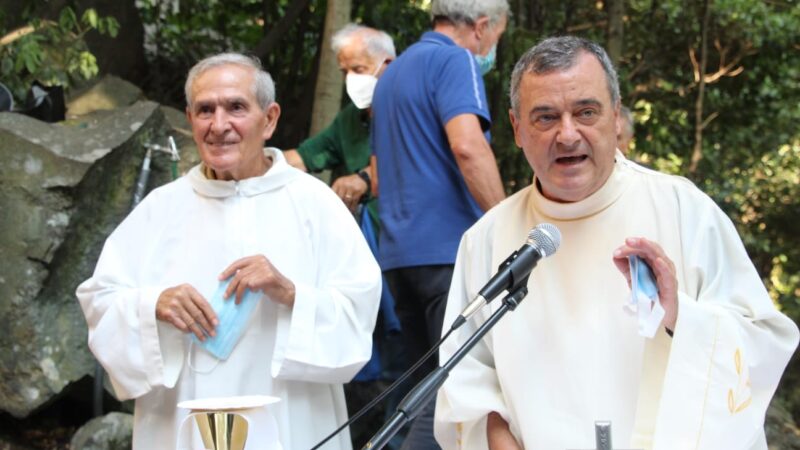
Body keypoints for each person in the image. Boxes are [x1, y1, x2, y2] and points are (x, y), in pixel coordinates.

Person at [434, 36, 799, 450]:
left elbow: (764, 343)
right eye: (545, 118)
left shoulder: (683, 209)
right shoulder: (486, 239)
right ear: (517, 129)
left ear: (615, 118)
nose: (567, 135)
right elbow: (466, 378)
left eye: (586, 112)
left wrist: (682, 315)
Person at [76, 53, 382, 450]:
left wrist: (292, 294)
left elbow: (359, 313)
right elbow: (100, 303)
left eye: (236, 107)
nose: (219, 126)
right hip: (182, 414)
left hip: (291, 416)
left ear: (269, 119)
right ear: (190, 120)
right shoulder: (160, 208)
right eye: (205, 110)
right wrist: (153, 304)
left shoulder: (315, 204)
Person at [370, 0, 509, 447]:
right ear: (482, 26)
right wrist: (508, 222)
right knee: (454, 386)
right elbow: (468, 147)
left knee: (415, 387)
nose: (492, 47)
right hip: (448, 251)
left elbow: (376, 173)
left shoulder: (391, 75)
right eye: (498, 37)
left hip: (397, 256)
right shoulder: (457, 60)